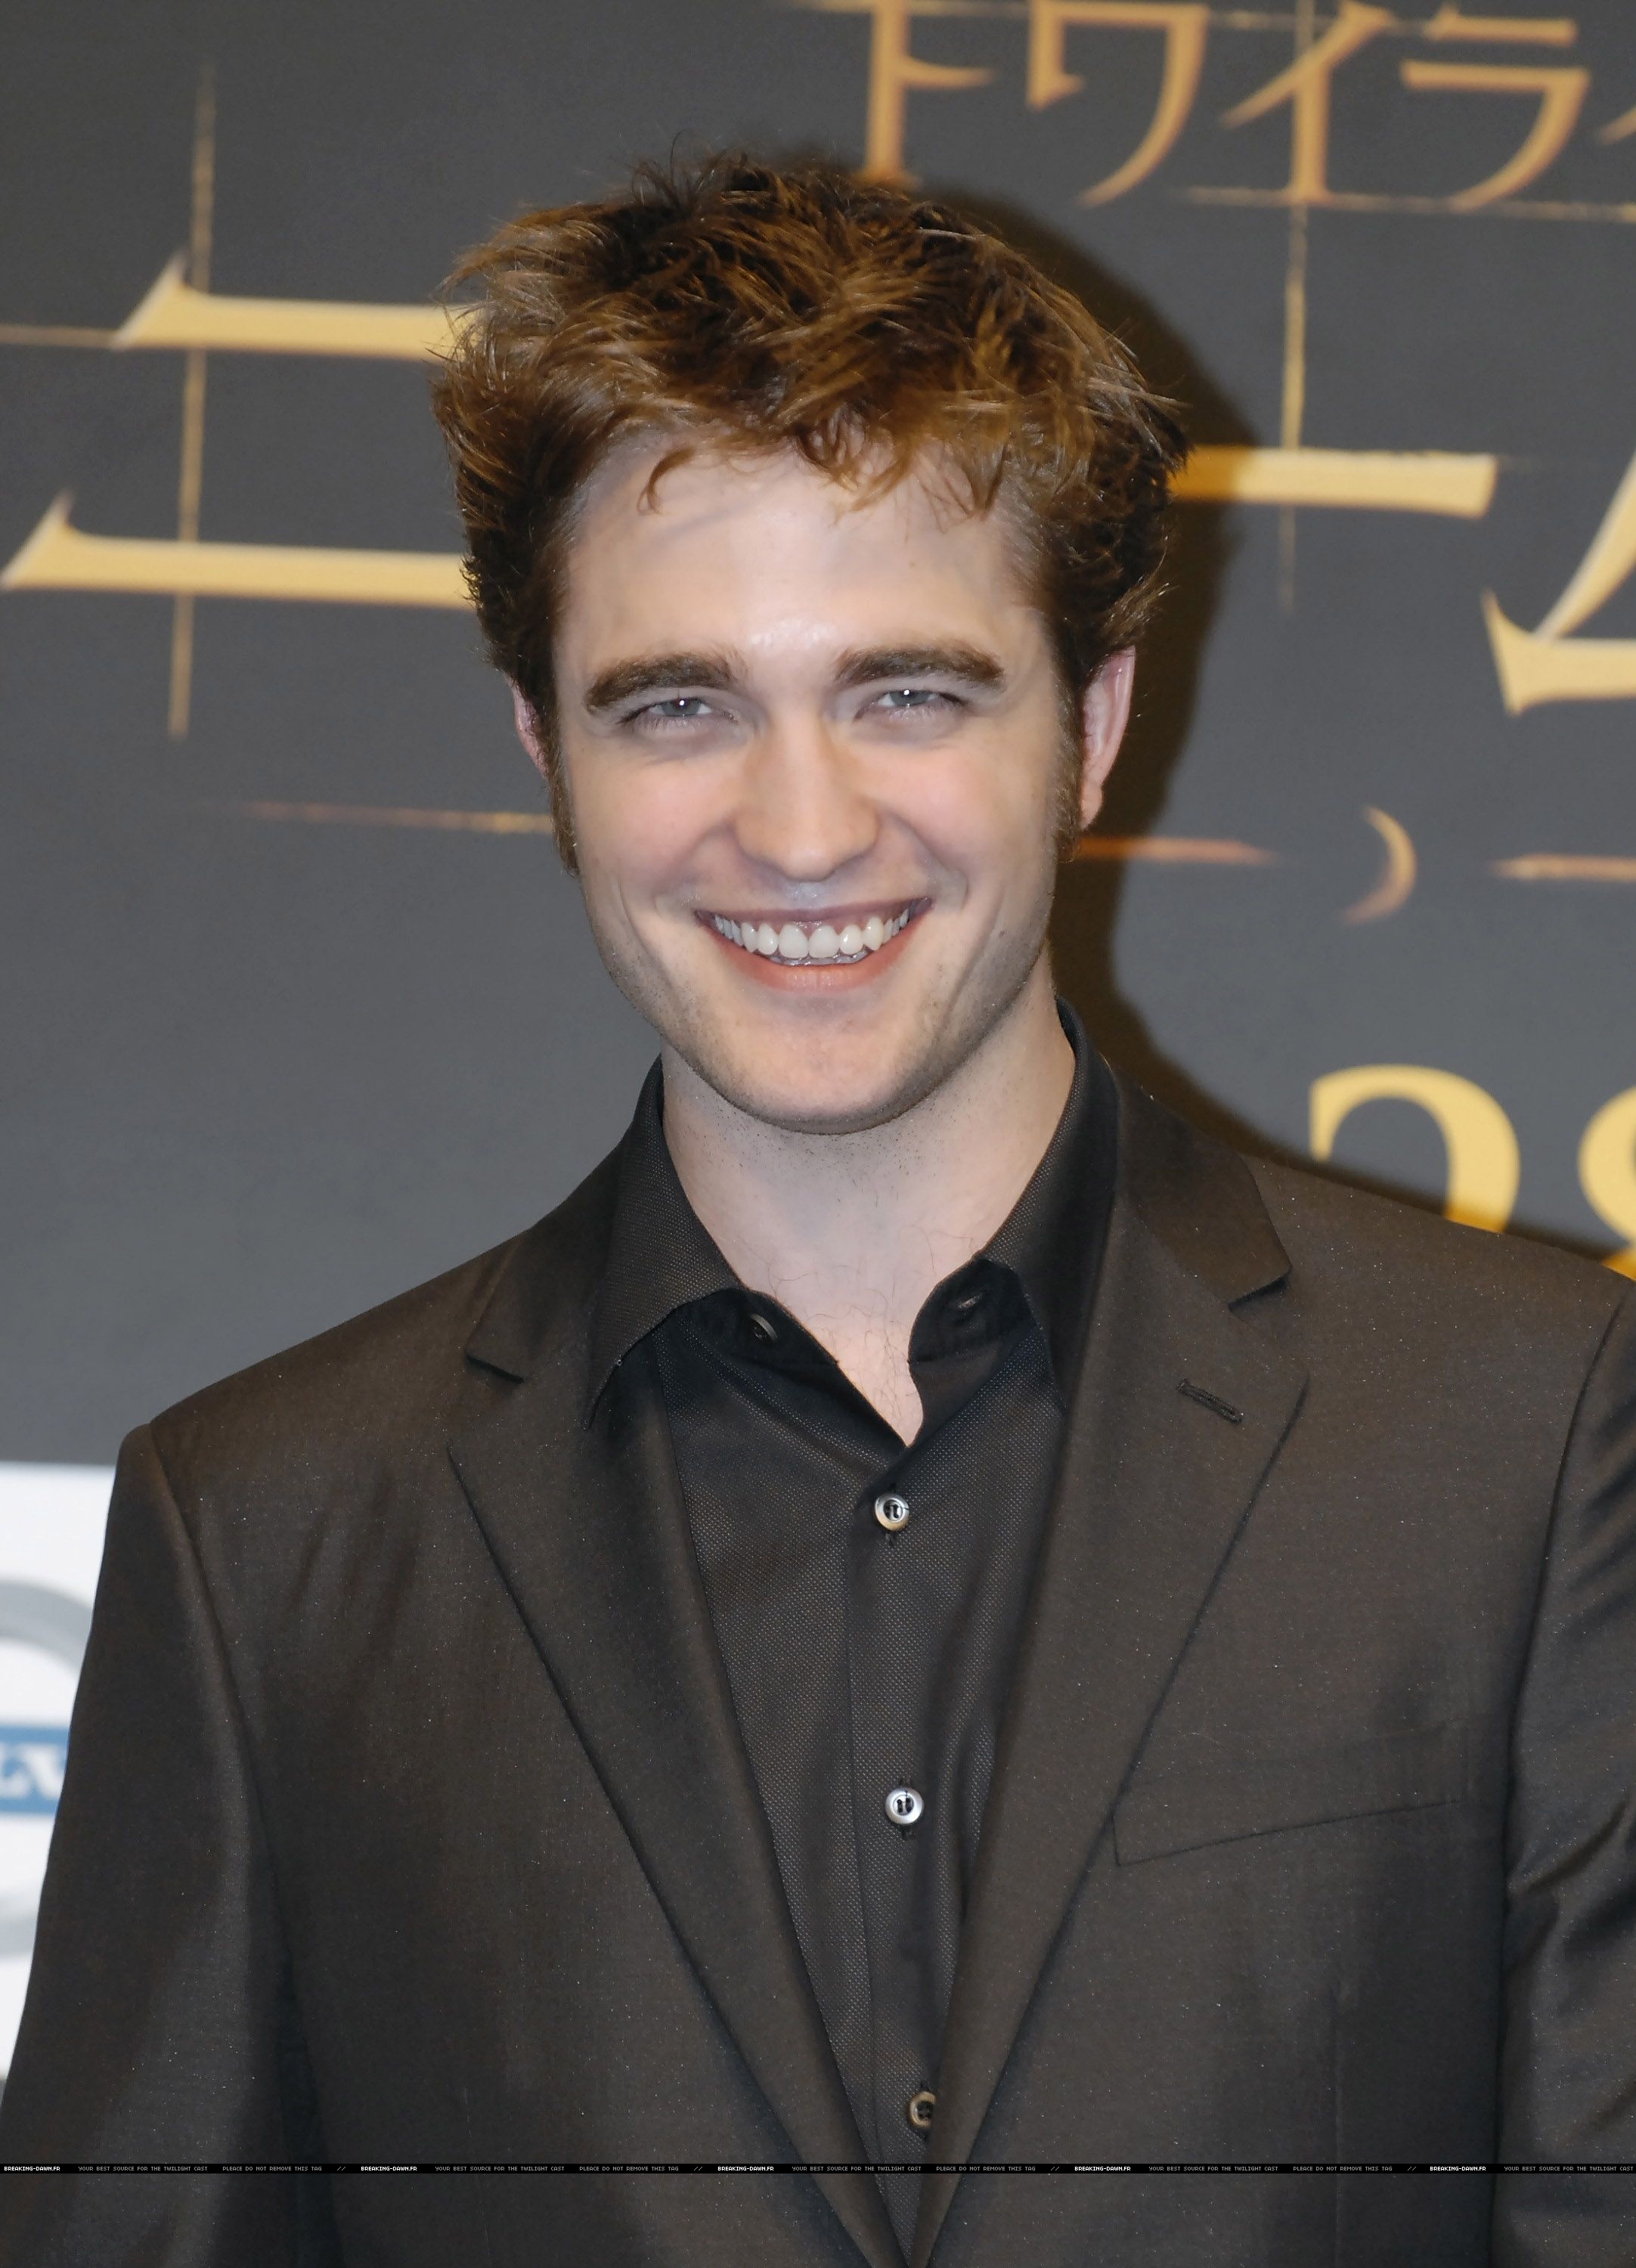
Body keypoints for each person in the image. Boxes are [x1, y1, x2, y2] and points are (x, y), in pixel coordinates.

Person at [1, 154, 1631, 2268]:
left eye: (906, 694)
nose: (796, 828)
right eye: (679, 705)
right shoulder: (268, 1543)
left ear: (1092, 727)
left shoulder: (1532, 1441)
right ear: (545, 750)